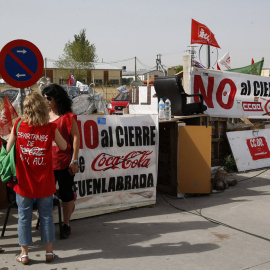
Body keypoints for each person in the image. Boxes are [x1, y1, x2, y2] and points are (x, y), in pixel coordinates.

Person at [6, 92, 67, 264]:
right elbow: (63, 146)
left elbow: (8, 148)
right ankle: (49, 253)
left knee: (24, 216)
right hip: (45, 181)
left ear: (26, 108)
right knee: (46, 215)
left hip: (23, 181)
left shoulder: (18, 124)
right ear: (43, 107)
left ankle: (24, 254)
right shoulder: (50, 127)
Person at [42, 84, 80, 239]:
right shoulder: (43, 116)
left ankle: (66, 224)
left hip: (64, 162)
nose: (46, 101)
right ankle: (45, 223)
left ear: (57, 98)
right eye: (44, 98)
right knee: (45, 194)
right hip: (45, 163)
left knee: (66, 194)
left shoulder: (69, 117)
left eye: (48, 98)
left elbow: (76, 138)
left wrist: (74, 160)